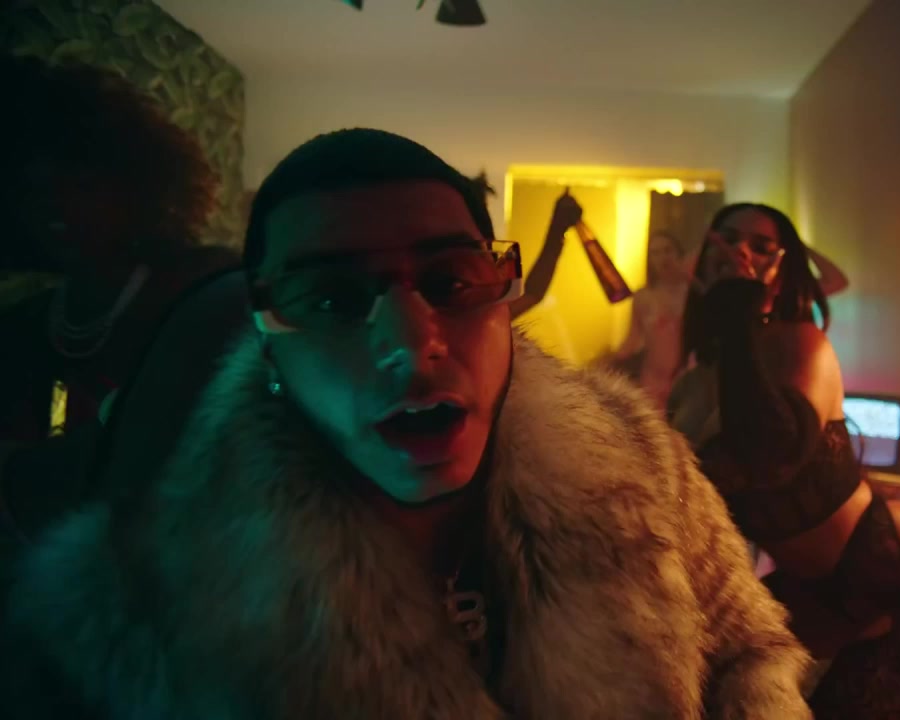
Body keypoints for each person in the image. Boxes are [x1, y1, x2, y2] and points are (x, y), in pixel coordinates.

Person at [1, 130, 813, 719]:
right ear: (267, 336)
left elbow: (753, 653)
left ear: (501, 300)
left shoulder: (638, 459)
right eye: (331, 297)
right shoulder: (149, 592)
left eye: (452, 281)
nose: (412, 346)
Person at [667, 202, 900, 718]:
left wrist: (739, 307)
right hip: (820, 589)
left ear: (783, 275)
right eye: (728, 238)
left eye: (762, 246)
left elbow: (769, 451)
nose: (741, 253)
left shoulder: (801, 345)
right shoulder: (693, 384)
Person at [0, 55, 236, 543]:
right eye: (36, 191)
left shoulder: (208, 286)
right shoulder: (27, 324)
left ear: (138, 187)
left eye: (83, 186)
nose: (58, 209)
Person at [608, 230, 690, 408]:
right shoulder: (643, 297)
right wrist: (608, 360)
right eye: (655, 253)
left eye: (668, 250)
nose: (663, 258)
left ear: (678, 253)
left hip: (686, 379)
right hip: (653, 381)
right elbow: (632, 340)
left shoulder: (693, 294)